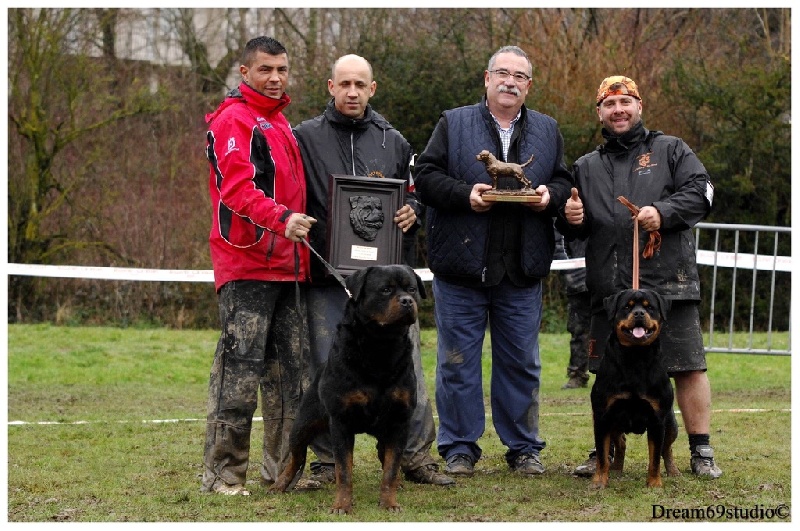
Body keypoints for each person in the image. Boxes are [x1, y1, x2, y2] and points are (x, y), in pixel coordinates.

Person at [293, 54, 454, 486]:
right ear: (331, 86)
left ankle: (416, 457)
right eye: (344, 84)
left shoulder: (394, 141)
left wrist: (413, 210)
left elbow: (416, 192)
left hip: (385, 284)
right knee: (325, 369)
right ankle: (326, 463)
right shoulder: (303, 137)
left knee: (409, 368)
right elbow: (288, 191)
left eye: (359, 85)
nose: (352, 92)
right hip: (329, 275)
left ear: (372, 89)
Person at [414, 46, 574, 477]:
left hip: (521, 268)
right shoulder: (453, 122)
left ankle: (523, 447)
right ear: (487, 79)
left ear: (529, 86)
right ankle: (459, 448)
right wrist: (464, 194)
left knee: (521, 362)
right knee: (457, 363)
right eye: (502, 73)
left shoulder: (548, 129)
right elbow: (425, 177)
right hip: (461, 266)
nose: (509, 82)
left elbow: (562, 179)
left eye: (519, 76)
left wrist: (550, 196)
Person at [562, 75, 722, 478]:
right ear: (599, 112)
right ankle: (604, 451)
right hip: (611, 291)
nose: (618, 110)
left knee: (687, 366)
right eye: (609, 104)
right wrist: (572, 219)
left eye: (625, 102)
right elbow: (575, 226)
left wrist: (663, 212)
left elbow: (703, 191)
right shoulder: (585, 166)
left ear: (639, 106)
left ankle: (701, 450)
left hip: (669, 287)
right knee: (605, 376)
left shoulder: (672, 149)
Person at [201, 36, 317, 496]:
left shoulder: (280, 122)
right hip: (247, 264)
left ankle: (282, 473)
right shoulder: (234, 119)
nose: (275, 78)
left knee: (291, 378)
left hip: (290, 266)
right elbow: (236, 190)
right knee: (239, 375)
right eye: (265, 69)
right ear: (245, 72)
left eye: (282, 69)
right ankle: (223, 475)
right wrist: (282, 219)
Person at [557, 230, 591, 389]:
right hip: (577, 279)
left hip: (611, 277)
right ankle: (577, 374)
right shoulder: (567, 215)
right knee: (578, 329)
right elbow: (558, 242)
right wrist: (569, 271)